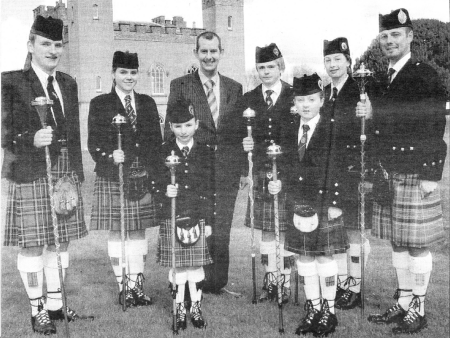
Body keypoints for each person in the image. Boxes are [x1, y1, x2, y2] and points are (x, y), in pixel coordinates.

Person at [2, 15, 92, 335]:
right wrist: (30, 138)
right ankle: (37, 310)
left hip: (65, 170)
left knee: (60, 241)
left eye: (57, 45)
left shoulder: (68, 82)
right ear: (30, 46)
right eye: (45, 44)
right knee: (32, 245)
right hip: (30, 170)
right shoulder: (10, 81)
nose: (53, 51)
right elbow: (4, 131)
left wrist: (78, 174)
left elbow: (75, 132)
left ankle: (55, 305)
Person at [367, 8, 447, 335]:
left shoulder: (424, 74)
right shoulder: (381, 78)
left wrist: (431, 173)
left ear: (410, 36)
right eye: (384, 36)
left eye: (395, 35)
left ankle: (419, 308)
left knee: (416, 245)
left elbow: (434, 124)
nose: (388, 41)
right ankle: (402, 302)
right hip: (389, 171)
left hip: (417, 171)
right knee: (397, 243)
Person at [270, 73, 349, 336]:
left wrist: (336, 202)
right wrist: (277, 182)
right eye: (301, 99)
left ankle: (329, 311)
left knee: (324, 256)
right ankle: (313, 307)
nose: (306, 105)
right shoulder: (289, 126)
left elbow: (339, 166)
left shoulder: (332, 127)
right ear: (294, 101)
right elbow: (282, 164)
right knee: (304, 256)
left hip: (324, 201)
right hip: (297, 201)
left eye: (311, 99)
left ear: (321, 100)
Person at [165, 31, 243, 294]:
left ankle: (216, 282)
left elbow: (238, 132)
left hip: (226, 170)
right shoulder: (181, 85)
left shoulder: (234, 87)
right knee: (192, 223)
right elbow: (170, 130)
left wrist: (242, 169)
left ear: (221, 52)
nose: (209, 56)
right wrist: (172, 169)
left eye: (214, 51)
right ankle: (189, 282)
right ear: (196, 53)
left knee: (221, 227)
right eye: (204, 51)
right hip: (194, 169)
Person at [88, 51, 162, 308]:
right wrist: (110, 156)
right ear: (113, 74)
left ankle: (137, 285)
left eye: (133, 73)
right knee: (118, 231)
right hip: (113, 175)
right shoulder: (100, 104)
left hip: (142, 176)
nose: (129, 77)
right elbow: (93, 144)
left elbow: (156, 143)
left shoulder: (148, 103)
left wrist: (155, 177)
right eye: (123, 72)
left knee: (138, 230)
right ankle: (124, 286)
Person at [236, 43, 296, 303]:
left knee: (285, 228)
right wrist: (244, 146)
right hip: (260, 170)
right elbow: (239, 135)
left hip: (288, 172)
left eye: (271, 66)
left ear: (280, 66)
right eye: (261, 67)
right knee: (267, 230)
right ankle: (270, 279)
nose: (266, 71)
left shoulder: (295, 96)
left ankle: (284, 280)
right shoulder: (248, 99)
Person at [322, 37, 373, 310]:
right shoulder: (325, 92)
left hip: (354, 170)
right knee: (338, 231)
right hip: (330, 171)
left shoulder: (360, 90)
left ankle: (355, 286)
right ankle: (344, 283)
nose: (332, 65)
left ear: (348, 62)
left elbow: (371, 131)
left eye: (337, 60)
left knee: (354, 230)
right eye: (328, 60)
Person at [155, 98, 214, 330]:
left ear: (196, 124)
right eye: (178, 126)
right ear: (170, 127)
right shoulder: (163, 151)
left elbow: (210, 189)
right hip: (173, 216)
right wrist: (164, 190)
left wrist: (208, 221)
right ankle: (179, 307)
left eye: (188, 125)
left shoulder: (205, 152)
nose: (183, 130)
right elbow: (155, 183)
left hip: (198, 216)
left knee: (196, 266)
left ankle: (196, 307)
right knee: (178, 266)